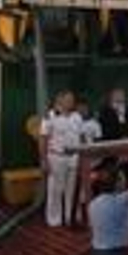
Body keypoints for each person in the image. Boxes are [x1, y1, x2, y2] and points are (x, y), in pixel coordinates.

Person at [40, 91, 86, 227]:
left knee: (72, 189)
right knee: (55, 189)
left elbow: (82, 137)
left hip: (74, 157)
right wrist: (43, 160)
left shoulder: (77, 117)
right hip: (56, 157)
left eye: (72, 99)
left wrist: (83, 155)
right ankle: (54, 219)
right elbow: (43, 139)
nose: (71, 102)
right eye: (68, 99)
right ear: (60, 100)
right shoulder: (49, 117)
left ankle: (70, 217)